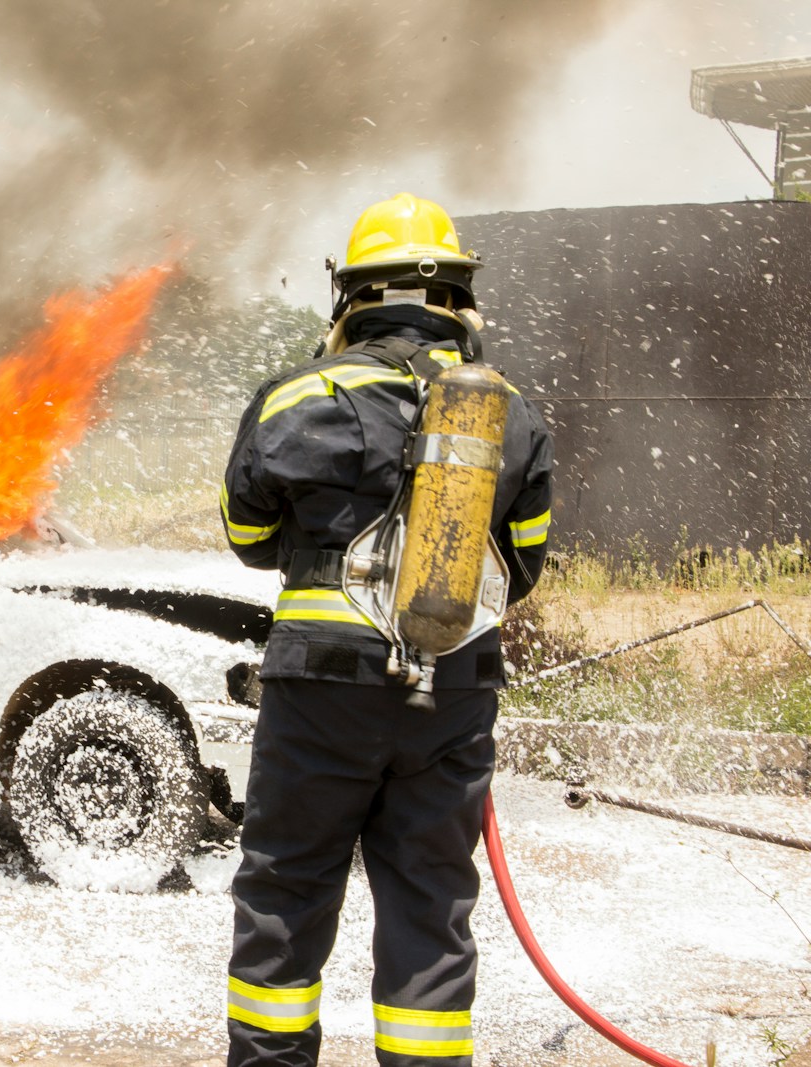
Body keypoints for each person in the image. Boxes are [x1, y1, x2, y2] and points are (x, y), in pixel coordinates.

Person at [220, 192, 554, 1067]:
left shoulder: (296, 396)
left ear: (351, 295)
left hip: (319, 695)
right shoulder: (510, 412)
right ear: (457, 298)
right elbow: (519, 571)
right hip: (450, 700)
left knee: (286, 894)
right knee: (431, 905)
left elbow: (248, 538)